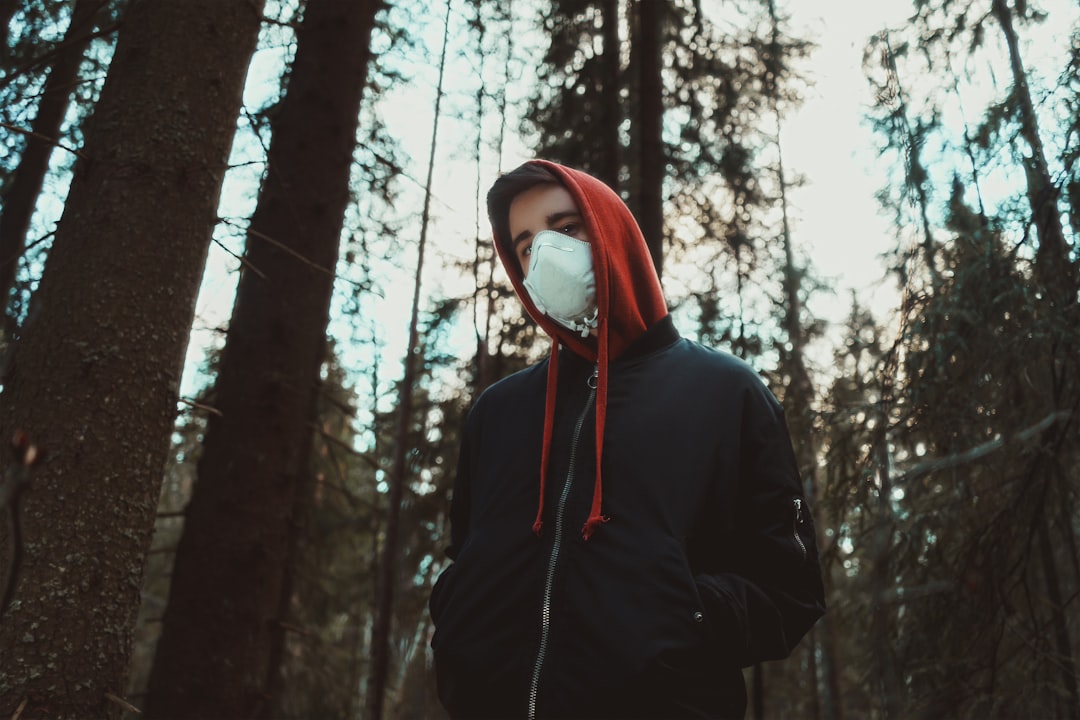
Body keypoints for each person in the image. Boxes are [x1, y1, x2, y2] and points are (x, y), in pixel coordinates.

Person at [429, 160, 825, 719]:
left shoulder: (725, 393)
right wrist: (460, 618)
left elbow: (790, 588)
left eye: (566, 229)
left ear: (610, 229)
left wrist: (682, 617)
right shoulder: (498, 411)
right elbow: (464, 555)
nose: (545, 255)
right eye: (525, 247)